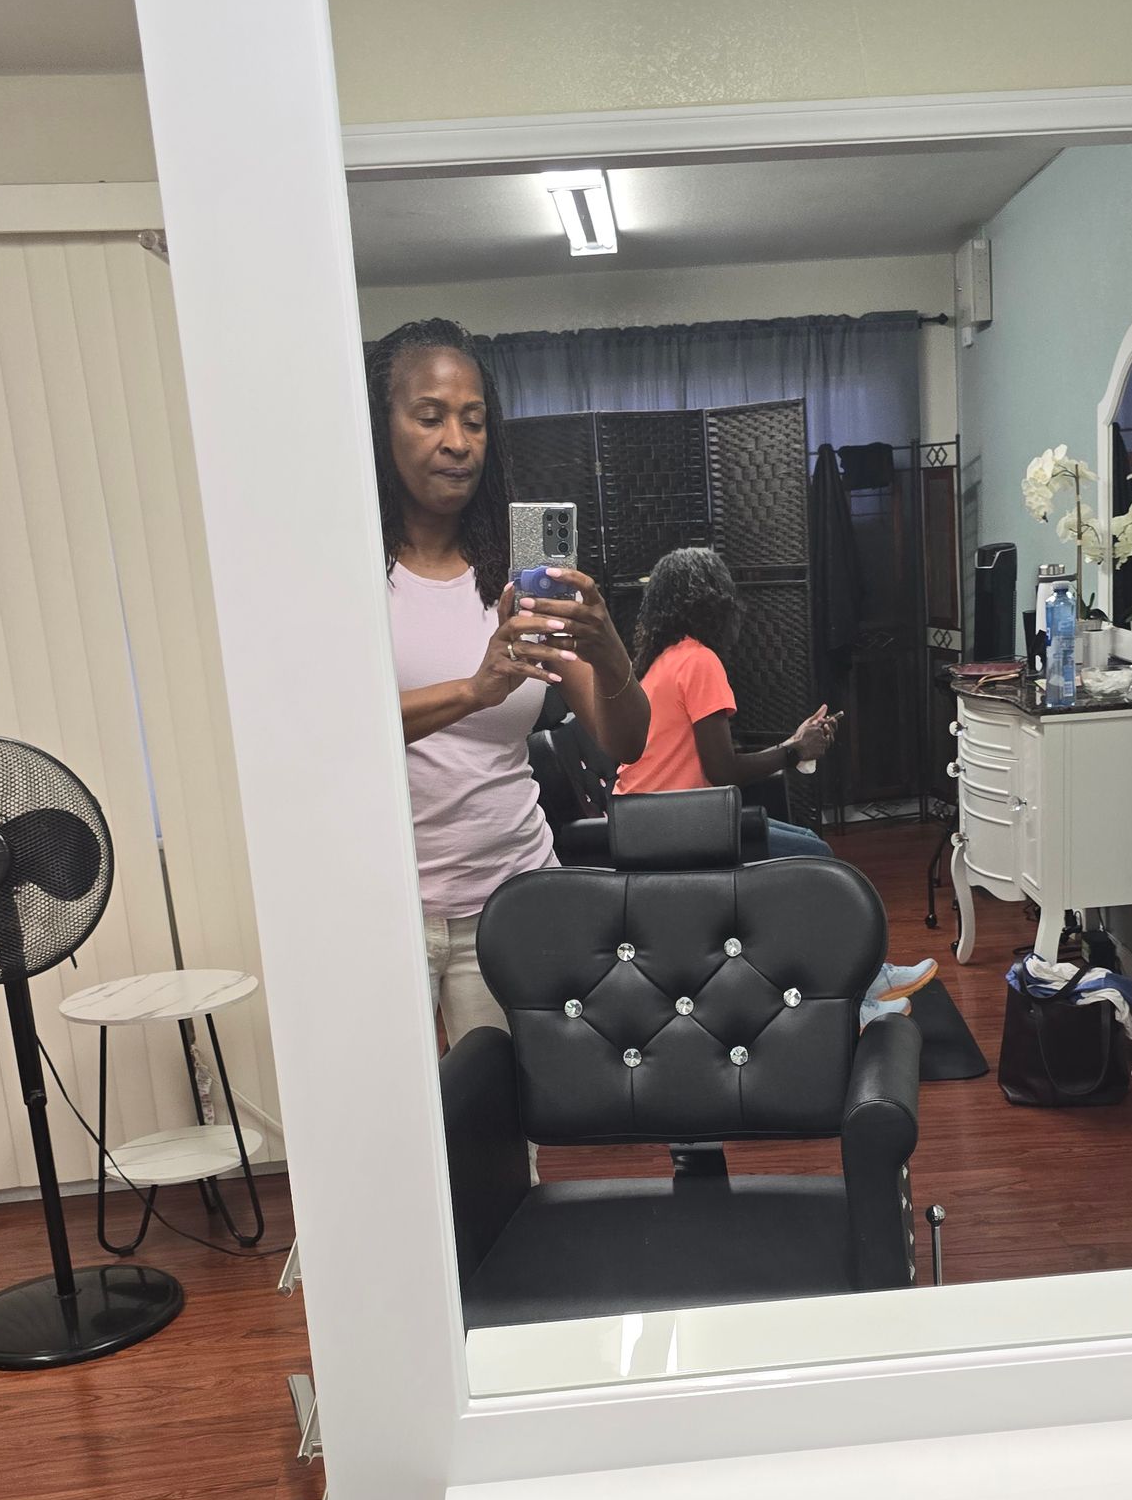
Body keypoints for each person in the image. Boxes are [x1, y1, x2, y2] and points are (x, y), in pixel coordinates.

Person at [373, 317, 649, 1043]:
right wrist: (475, 689)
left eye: (473, 421)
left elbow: (626, 738)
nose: (456, 442)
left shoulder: (517, 576)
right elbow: (333, 732)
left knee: (503, 1139)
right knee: (389, 1139)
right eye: (429, 417)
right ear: (383, 425)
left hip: (513, 893)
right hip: (384, 904)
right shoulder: (353, 572)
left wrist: (609, 646)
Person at [614, 546, 936, 1022]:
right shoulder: (698, 661)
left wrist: (792, 745)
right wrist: (794, 751)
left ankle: (868, 979)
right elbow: (722, 771)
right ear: (713, 601)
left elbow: (709, 764)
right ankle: (855, 998)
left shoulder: (665, 660)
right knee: (815, 863)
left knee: (808, 847)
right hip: (677, 830)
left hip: (654, 824)